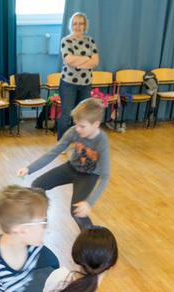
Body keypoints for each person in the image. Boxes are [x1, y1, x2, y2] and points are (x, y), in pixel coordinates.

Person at [18, 98, 110, 230]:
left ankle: (91, 235)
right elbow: (53, 152)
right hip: (71, 168)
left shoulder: (101, 141)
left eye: (82, 126)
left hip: (89, 176)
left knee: (77, 212)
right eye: (76, 124)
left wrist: (89, 203)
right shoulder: (73, 131)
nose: (77, 129)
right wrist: (29, 168)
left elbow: (105, 176)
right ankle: (40, 222)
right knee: (37, 186)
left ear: (96, 124)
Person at [57, 11, 100, 140]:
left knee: (83, 117)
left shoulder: (90, 41)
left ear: (85, 26)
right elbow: (69, 60)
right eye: (75, 23)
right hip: (68, 84)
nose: (78, 26)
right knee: (66, 116)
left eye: (81, 23)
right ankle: (62, 144)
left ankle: (80, 143)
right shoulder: (66, 41)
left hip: (86, 84)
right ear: (71, 25)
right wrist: (87, 59)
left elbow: (95, 61)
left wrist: (78, 62)